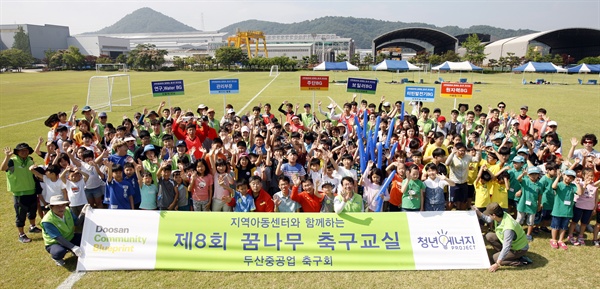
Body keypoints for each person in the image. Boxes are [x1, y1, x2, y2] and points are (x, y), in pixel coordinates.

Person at [2, 143, 42, 243]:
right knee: (21, 214)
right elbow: (3, 168)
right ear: (17, 152)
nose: (24, 152)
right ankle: (21, 234)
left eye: (26, 150)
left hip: (31, 190)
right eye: (22, 150)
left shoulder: (30, 160)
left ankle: (32, 227)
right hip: (19, 193)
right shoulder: (12, 161)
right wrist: (7, 157)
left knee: (32, 210)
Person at [473, 202, 531, 272]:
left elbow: (507, 246)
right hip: (511, 245)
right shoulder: (501, 215)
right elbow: (488, 219)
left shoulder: (508, 228)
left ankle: (520, 261)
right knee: (489, 236)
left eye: (489, 214)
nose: (488, 216)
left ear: (494, 215)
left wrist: (497, 264)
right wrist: (477, 211)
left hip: (518, 249)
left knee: (494, 258)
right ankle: (505, 256)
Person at [41, 195, 89, 266]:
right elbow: (58, 238)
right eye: (57, 206)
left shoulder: (68, 210)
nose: (61, 208)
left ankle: (71, 248)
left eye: (63, 205)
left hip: (70, 237)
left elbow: (77, 223)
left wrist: (83, 213)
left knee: (86, 238)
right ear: (51, 207)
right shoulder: (47, 221)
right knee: (58, 252)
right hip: (55, 243)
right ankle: (57, 258)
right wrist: (73, 247)